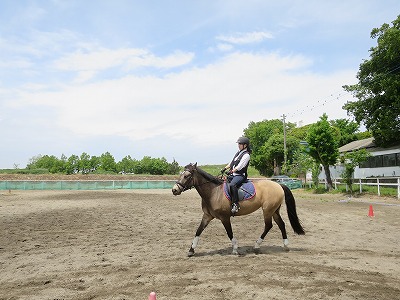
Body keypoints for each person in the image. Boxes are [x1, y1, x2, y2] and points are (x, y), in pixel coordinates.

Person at [222, 136, 252, 215]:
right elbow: (232, 163)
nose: (238, 145)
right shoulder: (238, 153)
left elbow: (240, 166)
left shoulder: (246, 155)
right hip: (233, 174)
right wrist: (225, 168)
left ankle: (235, 204)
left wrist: (232, 171)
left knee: (232, 185)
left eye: (240, 144)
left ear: (245, 145)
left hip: (240, 175)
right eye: (238, 144)